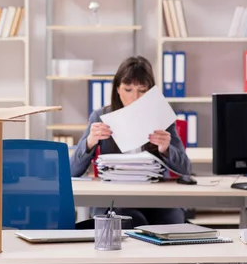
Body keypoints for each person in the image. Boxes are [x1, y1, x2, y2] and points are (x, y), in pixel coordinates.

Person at [70, 56, 192, 228]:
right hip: (115, 198)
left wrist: (166, 149)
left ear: (150, 92)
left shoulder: (161, 117)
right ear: (118, 90)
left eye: (142, 90)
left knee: (171, 222)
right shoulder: (100, 117)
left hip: (156, 197)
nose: (135, 97)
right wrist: (90, 142)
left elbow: (186, 169)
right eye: (128, 89)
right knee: (130, 221)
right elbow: (72, 171)